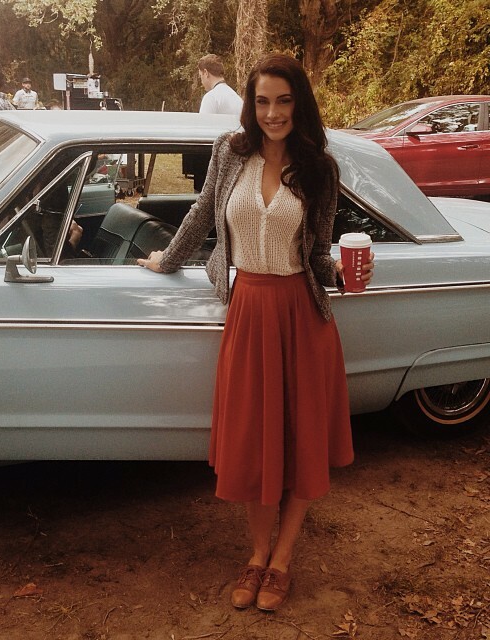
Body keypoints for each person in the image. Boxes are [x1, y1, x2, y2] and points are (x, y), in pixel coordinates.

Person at [138, 53, 374, 612]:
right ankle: (256, 554)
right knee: (253, 443)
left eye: (283, 101)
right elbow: (202, 214)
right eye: (263, 101)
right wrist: (167, 259)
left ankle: (281, 561)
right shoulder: (230, 151)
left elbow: (318, 253)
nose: (272, 113)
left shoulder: (320, 168)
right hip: (248, 310)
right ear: (250, 104)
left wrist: (342, 275)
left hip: (301, 317)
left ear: (299, 103)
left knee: (299, 443)